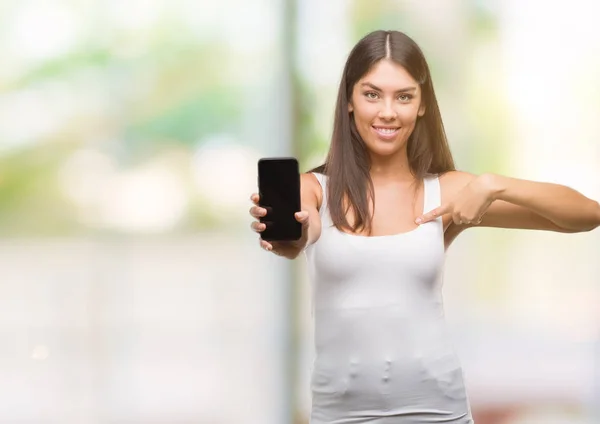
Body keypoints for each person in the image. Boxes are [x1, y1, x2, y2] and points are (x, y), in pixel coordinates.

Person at [248, 30, 600, 423]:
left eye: (404, 96)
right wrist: (295, 234)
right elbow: (301, 233)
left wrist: (491, 184)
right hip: (341, 415)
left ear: (421, 105)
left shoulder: (445, 193)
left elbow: (586, 214)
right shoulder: (314, 190)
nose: (387, 111)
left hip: (437, 410)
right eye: (371, 94)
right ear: (349, 100)